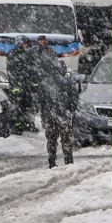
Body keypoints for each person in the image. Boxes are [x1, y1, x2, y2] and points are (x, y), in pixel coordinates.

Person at [35, 38, 76, 168]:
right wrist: (70, 111)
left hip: (49, 115)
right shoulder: (67, 82)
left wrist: (43, 115)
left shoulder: (43, 83)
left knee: (51, 141)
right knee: (66, 141)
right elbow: (73, 100)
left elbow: (39, 101)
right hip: (63, 115)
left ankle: (52, 162)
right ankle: (68, 162)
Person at [6, 36, 42, 133]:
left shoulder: (27, 54)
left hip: (27, 86)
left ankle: (29, 123)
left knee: (30, 105)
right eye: (25, 43)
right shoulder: (13, 54)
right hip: (17, 86)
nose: (26, 45)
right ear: (20, 43)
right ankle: (17, 126)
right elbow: (14, 71)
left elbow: (34, 67)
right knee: (17, 106)